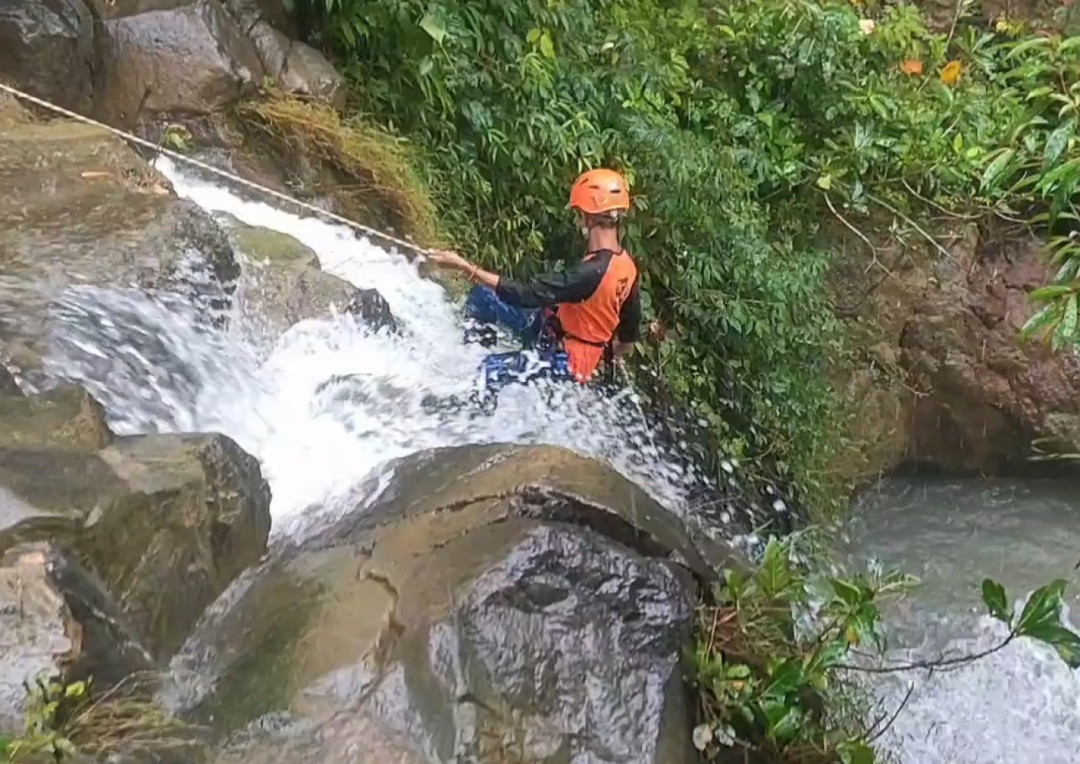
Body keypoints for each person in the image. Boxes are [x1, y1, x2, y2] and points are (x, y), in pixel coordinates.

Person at [427, 168, 642, 401]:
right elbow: (626, 343)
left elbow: (526, 295)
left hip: (567, 361)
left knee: (491, 370)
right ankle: (471, 359)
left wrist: (464, 267)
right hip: (553, 333)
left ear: (588, 217)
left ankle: (470, 414)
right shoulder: (627, 268)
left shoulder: (589, 272)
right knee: (483, 297)